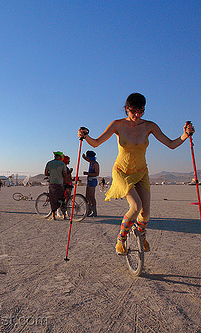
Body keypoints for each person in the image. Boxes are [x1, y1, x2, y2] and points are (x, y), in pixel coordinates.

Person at [78, 92, 195, 255]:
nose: (137, 115)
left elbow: (171, 144)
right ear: (126, 108)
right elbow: (96, 143)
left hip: (141, 173)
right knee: (135, 206)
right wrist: (85, 135)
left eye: (141, 111)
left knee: (145, 214)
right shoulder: (117, 125)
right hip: (122, 172)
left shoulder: (149, 126)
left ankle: (140, 232)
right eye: (134, 111)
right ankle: (121, 239)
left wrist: (185, 134)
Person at [44, 151, 68, 220]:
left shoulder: (49, 163)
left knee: (53, 199)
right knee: (62, 199)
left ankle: (53, 215)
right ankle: (64, 215)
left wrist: (51, 174)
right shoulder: (62, 164)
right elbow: (65, 174)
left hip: (52, 184)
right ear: (60, 157)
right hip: (60, 183)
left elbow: (46, 173)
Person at [83, 150, 100, 217]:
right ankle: (88, 210)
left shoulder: (95, 164)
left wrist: (88, 173)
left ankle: (94, 211)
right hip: (89, 181)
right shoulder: (91, 162)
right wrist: (84, 158)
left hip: (93, 181)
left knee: (91, 196)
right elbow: (87, 160)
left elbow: (97, 173)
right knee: (87, 196)